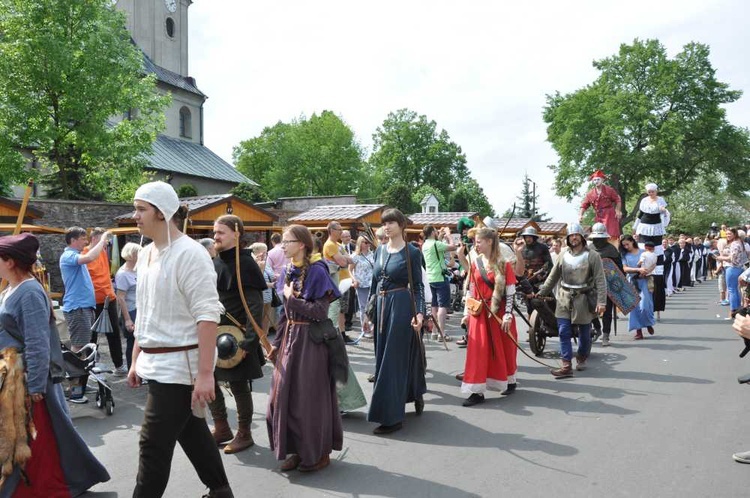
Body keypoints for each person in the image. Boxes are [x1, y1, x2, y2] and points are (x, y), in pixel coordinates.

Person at [126, 181, 233, 498]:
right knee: (192, 432)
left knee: (152, 444)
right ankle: (221, 491)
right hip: (156, 362)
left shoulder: (191, 254)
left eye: (141, 209)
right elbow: (146, 314)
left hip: (181, 367)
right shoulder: (145, 254)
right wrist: (136, 360)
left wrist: (204, 374)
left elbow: (207, 315)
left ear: (161, 212)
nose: (135, 216)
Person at [0, 233, 110, 498]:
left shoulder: (28, 292)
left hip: (26, 379)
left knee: (35, 438)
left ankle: (34, 487)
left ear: (10, 261)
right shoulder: (10, 288)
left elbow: (37, 342)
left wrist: (36, 384)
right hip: (11, 376)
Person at [266, 224, 343, 473]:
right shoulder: (288, 270)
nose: (282, 245)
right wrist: (276, 344)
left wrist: (292, 298)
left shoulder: (318, 271)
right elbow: (284, 315)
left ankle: (319, 453)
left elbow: (320, 312)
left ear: (301, 244)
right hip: (290, 339)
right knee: (283, 398)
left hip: (311, 342)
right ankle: (298, 449)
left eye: (287, 241)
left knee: (309, 401)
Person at [209, 215, 266, 454]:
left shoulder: (246, 264)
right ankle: (221, 427)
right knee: (209, 380)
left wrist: (248, 343)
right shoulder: (216, 262)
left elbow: (255, 307)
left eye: (221, 232)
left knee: (239, 385)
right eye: (215, 232)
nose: (216, 236)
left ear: (236, 233)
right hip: (215, 335)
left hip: (238, 337)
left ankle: (245, 434)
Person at [367, 208, 426, 434]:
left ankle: (392, 417)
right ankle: (415, 392)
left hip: (402, 307)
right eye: (385, 223)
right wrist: (368, 312)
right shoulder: (380, 250)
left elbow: (419, 287)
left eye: (392, 222)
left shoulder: (412, 252)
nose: (387, 226)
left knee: (392, 361)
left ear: (402, 225)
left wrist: (419, 314)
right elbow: (374, 284)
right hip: (381, 309)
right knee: (382, 360)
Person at [455, 227, 518, 406]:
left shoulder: (503, 264)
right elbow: (472, 290)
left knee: (504, 348)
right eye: (475, 242)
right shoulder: (475, 263)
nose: (476, 245)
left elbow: (511, 292)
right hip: (479, 313)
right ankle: (477, 391)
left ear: (489, 242)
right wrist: (467, 313)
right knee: (477, 351)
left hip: (498, 312)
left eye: (479, 241)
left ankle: (510, 380)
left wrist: (507, 315)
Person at [537, 223, 606, 378]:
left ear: (582, 237)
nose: (574, 237)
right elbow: (553, 276)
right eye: (571, 235)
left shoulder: (593, 255)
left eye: (576, 235)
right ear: (567, 238)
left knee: (584, 333)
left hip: (583, 298)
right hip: (564, 297)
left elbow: (600, 280)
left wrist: (602, 302)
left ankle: (582, 356)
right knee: (563, 331)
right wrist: (541, 292)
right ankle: (566, 365)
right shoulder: (562, 255)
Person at [59, 226, 111, 402]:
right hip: (78, 308)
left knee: (83, 347)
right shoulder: (68, 256)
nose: (86, 242)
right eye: (82, 239)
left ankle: (80, 382)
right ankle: (75, 390)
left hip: (83, 307)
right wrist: (103, 239)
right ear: (73, 240)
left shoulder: (73, 256)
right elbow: (89, 256)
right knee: (78, 348)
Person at [85, 228, 127, 375]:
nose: (107, 243)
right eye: (104, 239)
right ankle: (89, 368)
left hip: (109, 298)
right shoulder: (85, 254)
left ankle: (119, 365)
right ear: (95, 239)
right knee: (92, 335)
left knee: (114, 331)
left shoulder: (102, 252)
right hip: (92, 300)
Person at [422, 225, 458, 342]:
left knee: (434, 305)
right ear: (432, 232)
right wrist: (448, 235)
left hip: (430, 278)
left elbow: (436, 247)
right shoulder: (436, 244)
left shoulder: (425, 245)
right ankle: (442, 333)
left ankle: (434, 331)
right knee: (442, 306)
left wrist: (440, 235)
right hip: (440, 277)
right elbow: (452, 247)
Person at [323, 221, 356, 343]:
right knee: (336, 308)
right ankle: (335, 335)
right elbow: (343, 262)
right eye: (339, 229)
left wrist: (344, 259)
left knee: (342, 309)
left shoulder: (337, 244)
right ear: (331, 230)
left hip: (344, 280)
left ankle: (341, 333)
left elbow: (350, 260)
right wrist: (344, 259)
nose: (341, 232)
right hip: (338, 282)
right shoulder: (330, 245)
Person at [589, 222, 621, 346]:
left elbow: (619, 269)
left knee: (607, 311)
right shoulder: (589, 249)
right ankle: (597, 329)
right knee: (590, 308)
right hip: (592, 284)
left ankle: (606, 334)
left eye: (600, 238)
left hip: (609, 283)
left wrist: (617, 281)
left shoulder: (611, 249)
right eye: (596, 238)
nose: (598, 240)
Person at [621, 235, 656, 340]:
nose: (626, 246)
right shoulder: (625, 255)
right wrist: (638, 270)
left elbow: (653, 263)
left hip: (645, 280)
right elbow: (625, 268)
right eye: (624, 245)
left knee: (645, 305)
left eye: (628, 244)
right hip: (633, 282)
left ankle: (648, 323)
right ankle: (638, 331)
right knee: (635, 307)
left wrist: (647, 271)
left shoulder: (643, 252)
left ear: (632, 241)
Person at [115, 242, 140, 370]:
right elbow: (120, 298)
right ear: (132, 255)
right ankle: (133, 370)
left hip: (140, 309)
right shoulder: (123, 274)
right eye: (138, 253)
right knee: (132, 342)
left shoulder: (138, 269)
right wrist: (127, 319)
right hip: (131, 311)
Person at [579, 169, 623, 240]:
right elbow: (584, 205)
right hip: (599, 216)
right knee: (598, 234)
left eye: (598, 179)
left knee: (611, 234)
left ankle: (613, 248)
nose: (596, 181)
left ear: (602, 180)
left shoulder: (609, 190)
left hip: (609, 215)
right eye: (595, 180)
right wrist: (580, 215)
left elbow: (618, 199)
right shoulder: (590, 194)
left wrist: (618, 210)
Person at [715, 227, 748, 318]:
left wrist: (721, 258)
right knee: (735, 290)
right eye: (726, 234)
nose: (727, 235)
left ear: (735, 234)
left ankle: (733, 311)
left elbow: (732, 259)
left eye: (729, 234)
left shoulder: (735, 244)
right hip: (738, 268)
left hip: (732, 267)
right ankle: (737, 310)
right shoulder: (740, 243)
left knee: (731, 290)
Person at [250, 242, 279, 337]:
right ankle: (259, 340)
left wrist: (276, 277)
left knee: (266, 320)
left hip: (268, 296)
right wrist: (271, 284)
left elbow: (270, 275)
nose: (266, 254)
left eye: (266, 252)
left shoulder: (266, 263)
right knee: (259, 320)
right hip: (260, 296)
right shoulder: (253, 263)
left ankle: (265, 339)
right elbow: (256, 281)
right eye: (264, 252)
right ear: (257, 252)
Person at [351, 235, 375, 339]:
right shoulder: (355, 256)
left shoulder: (373, 254)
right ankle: (365, 328)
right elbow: (350, 270)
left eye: (368, 242)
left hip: (372, 283)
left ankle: (372, 327)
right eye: (365, 242)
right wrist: (354, 280)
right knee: (363, 307)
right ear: (360, 243)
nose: (367, 244)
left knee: (372, 306)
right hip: (361, 284)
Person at [341, 230, 358, 331]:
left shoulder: (355, 248)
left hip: (352, 276)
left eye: (348, 236)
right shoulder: (338, 248)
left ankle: (348, 322)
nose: (347, 238)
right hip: (342, 277)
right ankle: (342, 321)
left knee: (351, 299)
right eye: (345, 236)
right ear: (341, 238)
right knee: (343, 300)